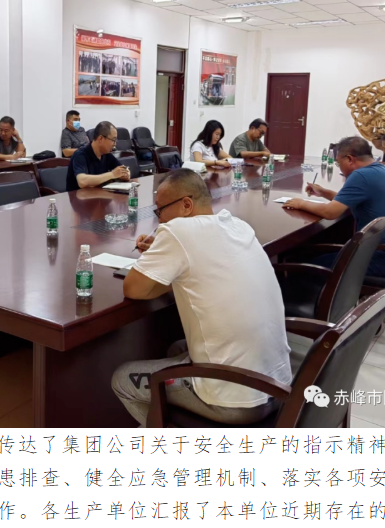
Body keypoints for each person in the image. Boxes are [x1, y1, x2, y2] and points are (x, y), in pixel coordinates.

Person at [111, 169, 292, 426]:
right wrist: (166, 256)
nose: (159, 219)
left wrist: (163, 254)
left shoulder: (178, 232)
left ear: (186, 205)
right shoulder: (238, 226)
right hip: (278, 386)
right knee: (177, 348)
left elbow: (134, 288)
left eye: (160, 210)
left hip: (235, 400)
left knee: (122, 379)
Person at [283, 136, 385, 278]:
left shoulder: (361, 175)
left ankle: (315, 291)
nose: (340, 167)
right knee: (316, 253)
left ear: (350, 159)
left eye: (339, 163)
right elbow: (350, 200)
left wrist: (300, 203)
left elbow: (330, 212)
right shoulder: (381, 169)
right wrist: (323, 192)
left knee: (305, 266)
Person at [66, 120, 130, 191]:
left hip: (99, 194)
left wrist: (126, 174)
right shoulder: (80, 155)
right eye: (113, 140)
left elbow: (123, 169)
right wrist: (112, 174)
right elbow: (82, 181)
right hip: (78, 196)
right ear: (100, 139)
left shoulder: (106, 154)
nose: (115, 144)